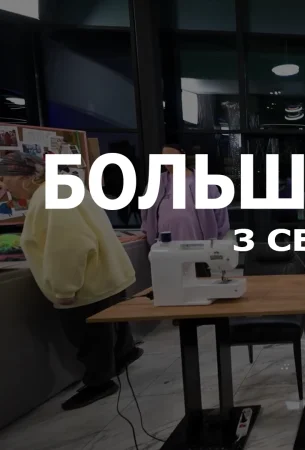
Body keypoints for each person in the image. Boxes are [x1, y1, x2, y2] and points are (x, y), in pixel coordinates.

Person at [0, 152, 140, 410]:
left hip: (88, 283)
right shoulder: (63, 187)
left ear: (23, 177)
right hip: (106, 274)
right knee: (112, 329)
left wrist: (65, 288)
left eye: (4, 178)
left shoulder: (50, 196)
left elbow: (68, 246)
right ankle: (124, 355)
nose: (4, 185)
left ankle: (100, 383)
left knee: (89, 338)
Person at [141, 145, 230, 276]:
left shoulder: (206, 184)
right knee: (167, 285)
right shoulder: (156, 184)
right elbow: (146, 214)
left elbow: (221, 216)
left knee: (200, 285)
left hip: (199, 251)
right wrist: (148, 235)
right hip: (165, 252)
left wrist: (213, 243)